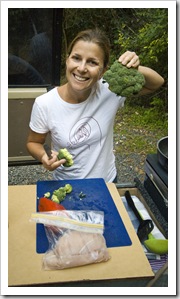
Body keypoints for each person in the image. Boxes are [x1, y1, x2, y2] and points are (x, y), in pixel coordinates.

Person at [26, 28, 164, 183]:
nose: (82, 68)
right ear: (67, 59)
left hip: (107, 182)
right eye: (76, 58)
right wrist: (44, 156)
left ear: (103, 70)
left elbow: (156, 83)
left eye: (92, 62)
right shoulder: (45, 103)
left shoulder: (111, 90)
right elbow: (33, 142)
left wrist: (136, 68)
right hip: (66, 184)